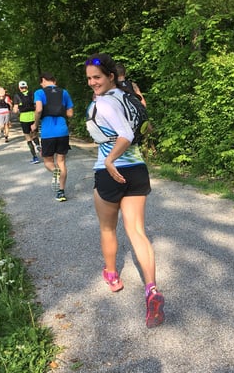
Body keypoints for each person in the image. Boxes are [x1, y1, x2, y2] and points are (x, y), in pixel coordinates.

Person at [85, 53, 165, 328]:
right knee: (137, 231)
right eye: (89, 78)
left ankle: (112, 275)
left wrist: (109, 160)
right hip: (137, 170)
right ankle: (151, 289)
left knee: (108, 228)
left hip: (110, 171)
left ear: (110, 76)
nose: (92, 82)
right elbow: (142, 129)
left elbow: (126, 135)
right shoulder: (128, 96)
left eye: (97, 77)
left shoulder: (104, 102)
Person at [31, 72, 74, 202]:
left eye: (41, 82)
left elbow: (39, 109)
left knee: (48, 161)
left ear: (44, 80)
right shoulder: (64, 92)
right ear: (54, 81)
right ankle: (61, 192)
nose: (41, 85)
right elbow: (70, 113)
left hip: (48, 132)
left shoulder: (39, 92)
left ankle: (55, 171)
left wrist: (35, 124)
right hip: (62, 131)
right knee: (61, 162)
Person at [13, 81, 41, 164]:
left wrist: (17, 113)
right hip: (33, 116)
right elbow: (36, 106)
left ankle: (35, 157)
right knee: (34, 135)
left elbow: (15, 110)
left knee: (28, 138)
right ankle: (38, 146)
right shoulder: (32, 94)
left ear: (19, 88)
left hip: (24, 118)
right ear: (27, 86)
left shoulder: (17, 96)